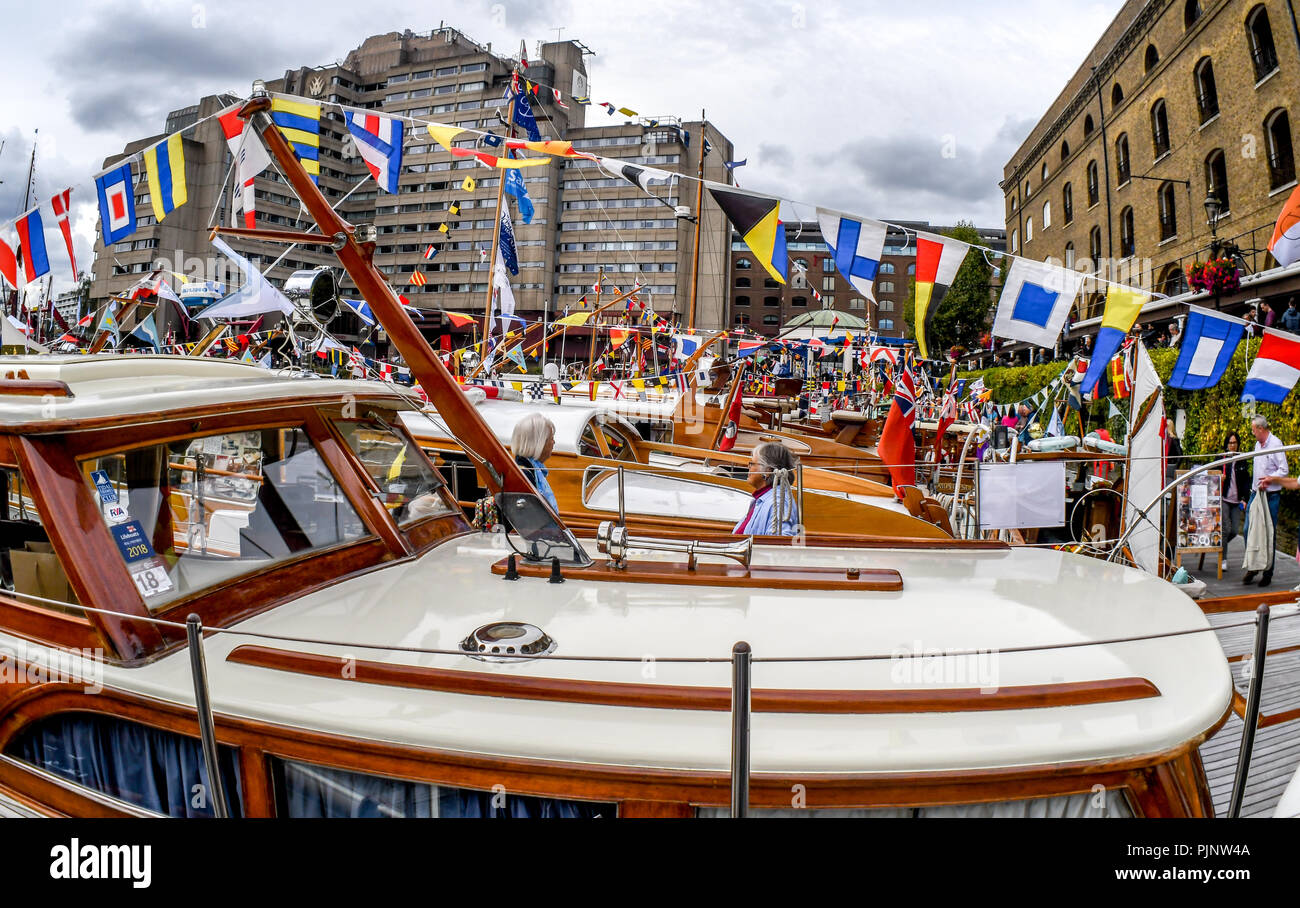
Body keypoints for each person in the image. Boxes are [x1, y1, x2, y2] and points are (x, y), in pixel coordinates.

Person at [1243, 415, 1288, 586]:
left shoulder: (1276, 444)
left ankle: (1267, 573)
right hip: (1255, 494)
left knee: (1269, 534)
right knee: (1248, 529)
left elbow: (1284, 469)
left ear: (1261, 429)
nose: (1253, 433)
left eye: (1254, 430)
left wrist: (1269, 478)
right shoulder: (1257, 444)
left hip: (1270, 496)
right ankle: (1253, 566)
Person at [733, 441, 800, 536]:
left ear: (767, 471)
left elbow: (782, 541)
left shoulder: (777, 502)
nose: (748, 467)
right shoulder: (764, 499)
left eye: (752, 463)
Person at [510, 412, 559, 512]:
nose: (554, 442)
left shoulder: (528, 471)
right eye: (551, 438)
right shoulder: (525, 475)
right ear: (539, 443)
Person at [1221, 431, 1250, 565]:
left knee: (1234, 531)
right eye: (1230, 443)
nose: (1232, 445)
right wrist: (1219, 477)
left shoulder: (1242, 460)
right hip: (1224, 499)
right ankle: (1224, 559)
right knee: (1226, 529)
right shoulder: (1221, 459)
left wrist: (1245, 498)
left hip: (1236, 500)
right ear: (1227, 444)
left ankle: (1220, 546)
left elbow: (1245, 481)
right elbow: (1211, 475)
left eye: (1235, 443)